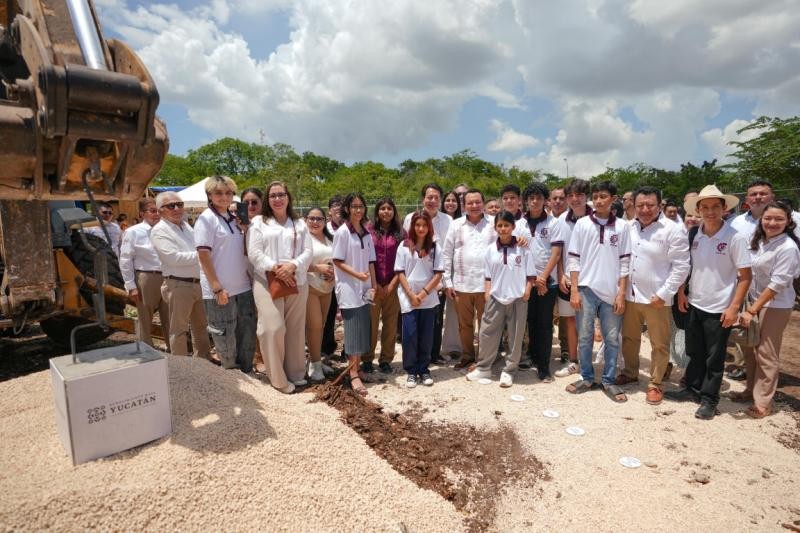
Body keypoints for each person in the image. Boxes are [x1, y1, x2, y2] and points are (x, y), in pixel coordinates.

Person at [665, 185, 752, 420]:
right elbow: (686, 267)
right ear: (698, 209)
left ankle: (710, 399)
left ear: (724, 208)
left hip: (720, 307)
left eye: (715, 206)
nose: (710, 211)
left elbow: (745, 277)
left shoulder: (735, 237)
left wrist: (734, 307)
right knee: (695, 350)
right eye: (705, 207)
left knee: (715, 357)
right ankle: (692, 388)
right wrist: (681, 292)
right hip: (695, 302)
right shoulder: (694, 234)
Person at [617, 186, 690, 405]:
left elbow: (681, 266)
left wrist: (665, 293)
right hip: (630, 295)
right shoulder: (628, 228)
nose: (645, 209)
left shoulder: (673, 229)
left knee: (659, 343)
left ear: (659, 205)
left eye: (650, 205)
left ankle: (656, 383)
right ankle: (630, 372)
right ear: (633, 206)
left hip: (657, 298)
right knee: (630, 339)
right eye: (640, 205)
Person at [730, 202, 800, 417]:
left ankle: (763, 402)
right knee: (751, 348)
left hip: (774, 305)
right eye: (768, 218)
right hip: (753, 301)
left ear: (788, 222)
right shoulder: (759, 241)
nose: (772, 223)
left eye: (779, 219)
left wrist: (752, 310)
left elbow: (776, 285)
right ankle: (750, 390)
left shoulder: (788, 248)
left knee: (766, 353)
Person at [565, 181, 631, 402]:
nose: (599, 200)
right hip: (586, 289)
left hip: (612, 291)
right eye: (596, 196)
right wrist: (574, 290)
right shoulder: (582, 224)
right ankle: (586, 377)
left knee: (612, 338)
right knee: (585, 337)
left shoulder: (623, 227)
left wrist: (621, 292)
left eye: (604, 196)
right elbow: (573, 259)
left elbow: (625, 262)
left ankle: (609, 381)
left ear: (613, 199)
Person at [248, 181, 312, 393]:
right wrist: (275, 268)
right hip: (268, 281)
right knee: (272, 328)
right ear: (268, 199)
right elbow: (254, 253)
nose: (277, 199)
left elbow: (308, 251)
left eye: (281, 194)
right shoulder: (259, 222)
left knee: (295, 329)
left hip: (297, 281)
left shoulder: (299, 223)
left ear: (288, 197)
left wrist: (292, 266)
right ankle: (278, 379)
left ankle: (295, 372)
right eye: (273, 195)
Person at [194, 175, 256, 373]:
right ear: (209, 195)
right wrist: (216, 286)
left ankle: (247, 371)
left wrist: (245, 229)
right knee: (224, 334)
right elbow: (203, 254)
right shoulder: (206, 219)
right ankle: (231, 375)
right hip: (221, 288)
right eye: (219, 192)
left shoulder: (234, 219)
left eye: (229, 192)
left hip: (243, 286)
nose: (224, 196)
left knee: (246, 332)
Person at [466, 210, 535, 387]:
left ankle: (509, 370)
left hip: (518, 298)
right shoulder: (490, 250)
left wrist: (527, 291)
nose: (503, 229)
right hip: (496, 297)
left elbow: (530, 274)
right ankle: (484, 367)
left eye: (506, 225)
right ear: (495, 228)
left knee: (515, 335)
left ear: (513, 227)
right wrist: (487, 293)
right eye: (500, 225)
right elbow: (488, 276)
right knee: (487, 333)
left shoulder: (523, 248)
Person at [150, 192, 211, 360]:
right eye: (171, 206)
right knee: (179, 330)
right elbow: (173, 258)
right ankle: (181, 368)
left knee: (201, 326)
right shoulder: (159, 231)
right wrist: (203, 255)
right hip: (179, 285)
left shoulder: (186, 226)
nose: (177, 208)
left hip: (197, 283)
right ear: (160, 210)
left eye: (179, 204)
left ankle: (204, 362)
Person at [443, 189, 496, 369]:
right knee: (464, 325)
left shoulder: (494, 223)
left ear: (483, 203)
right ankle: (467, 356)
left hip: (486, 285)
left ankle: (483, 359)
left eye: (477, 202)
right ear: (464, 206)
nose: (474, 206)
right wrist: (447, 282)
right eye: (470, 203)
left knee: (486, 324)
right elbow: (446, 254)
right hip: (461, 284)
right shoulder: (456, 225)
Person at [332, 192, 377, 396]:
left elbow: (371, 262)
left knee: (362, 330)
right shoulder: (342, 232)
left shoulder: (366, 233)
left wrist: (373, 285)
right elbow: (337, 261)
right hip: (350, 287)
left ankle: (356, 368)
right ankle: (353, 375)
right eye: (354, 206)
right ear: (347, 209)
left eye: (361, 206)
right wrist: (358, 275)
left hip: (365, 287)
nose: (358, 210)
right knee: (352, 331)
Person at [517, 182, 563, 382]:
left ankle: (544, 367)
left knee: (544, 324)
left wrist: (543, 277)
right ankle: (534, 358)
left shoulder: (554, 223)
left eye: (539, 198)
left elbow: (556, 252)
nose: (535, 202)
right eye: (531, 198)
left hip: (547, 282)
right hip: (526, 282)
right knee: (530, 321)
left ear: (545, 200)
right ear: (526, 201)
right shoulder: (519, 223)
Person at [403, 184, 453, 363]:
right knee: (414, 319)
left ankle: (433, 354)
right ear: (423, 198)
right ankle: (414, 357)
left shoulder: (448, 220)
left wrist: (446, 281)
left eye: (436, 197)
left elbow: (448, 251)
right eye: (429, 197)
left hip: (439, 275)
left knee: (436, 318)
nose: (432, 201)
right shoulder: (410, 218)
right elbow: (407, 243)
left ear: (440, 200)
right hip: (415, 276)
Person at [395, 211, 444, 387]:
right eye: (417, 225)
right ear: (412, 227)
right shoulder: (404, 245)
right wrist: (411, 295)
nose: (421, 228)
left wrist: (423, 294)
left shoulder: (435, 247)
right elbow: (400, 272)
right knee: (409, 335)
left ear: (429, 227)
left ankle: (423, 369)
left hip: (428, 299)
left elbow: (438, 274)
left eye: (424, 225)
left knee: (426, 336)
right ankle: (411, 370)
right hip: (409, 299)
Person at [118, 198, 170, 350]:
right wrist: (130, 285)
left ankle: (173, 352)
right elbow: (125, 260)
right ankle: (147, 351)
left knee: (169, 316)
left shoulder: (167, 230)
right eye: (153, 211)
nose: (157, 214)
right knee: (145, 317)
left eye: (159, 211)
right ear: (142, 214)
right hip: (147, 277)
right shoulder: (132, 232)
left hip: (168, 276)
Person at [553, 179, 592, 378]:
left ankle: (589, 363)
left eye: (579, 195)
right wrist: (561, 275)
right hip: (568, 279)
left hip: (592, 279)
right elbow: (559, 252)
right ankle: (574, 361)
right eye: (571, 196)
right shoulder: (561, 220)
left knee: (589, 322)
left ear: (587, 196)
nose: (575, 199)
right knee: (570, 321)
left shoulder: (597, 216)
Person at [363, 197, 402, 374]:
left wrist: (392, 284)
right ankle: (367, 359)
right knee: (370, 324)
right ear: (377, 211)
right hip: (372, 285)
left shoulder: (400, 232)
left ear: (394, 211)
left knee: (390, 324)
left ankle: (386, 359)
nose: (386, 211)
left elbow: (405, 260)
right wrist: (375, 283)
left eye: (389, 208)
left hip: (393, 285)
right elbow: (364, 258)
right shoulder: (368, 231)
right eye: (382, 208)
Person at [304, 207, 335, 382]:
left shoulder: (330, 239)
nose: (315, 222)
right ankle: (315, 365)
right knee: (314, 326)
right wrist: (318, 268)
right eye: (312, 219)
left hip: (327, 289)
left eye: (319, 219)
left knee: (321, 326)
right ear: (306, 220)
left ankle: (314, 360)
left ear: (325, 221)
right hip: (310, 288)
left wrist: (333, 272)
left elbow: (337, 261)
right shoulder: (303, 239)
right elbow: (296, 264)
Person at [322, 195, 345, 359]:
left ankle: (348, 350)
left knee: (349, 316)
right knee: (329, 315)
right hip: (329, 278)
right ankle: (327, 348)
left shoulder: (351, 228)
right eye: (335, 205)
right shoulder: (324, 228)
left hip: (347, 278)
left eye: (341, 205)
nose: (338, 207)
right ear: (329, 210)